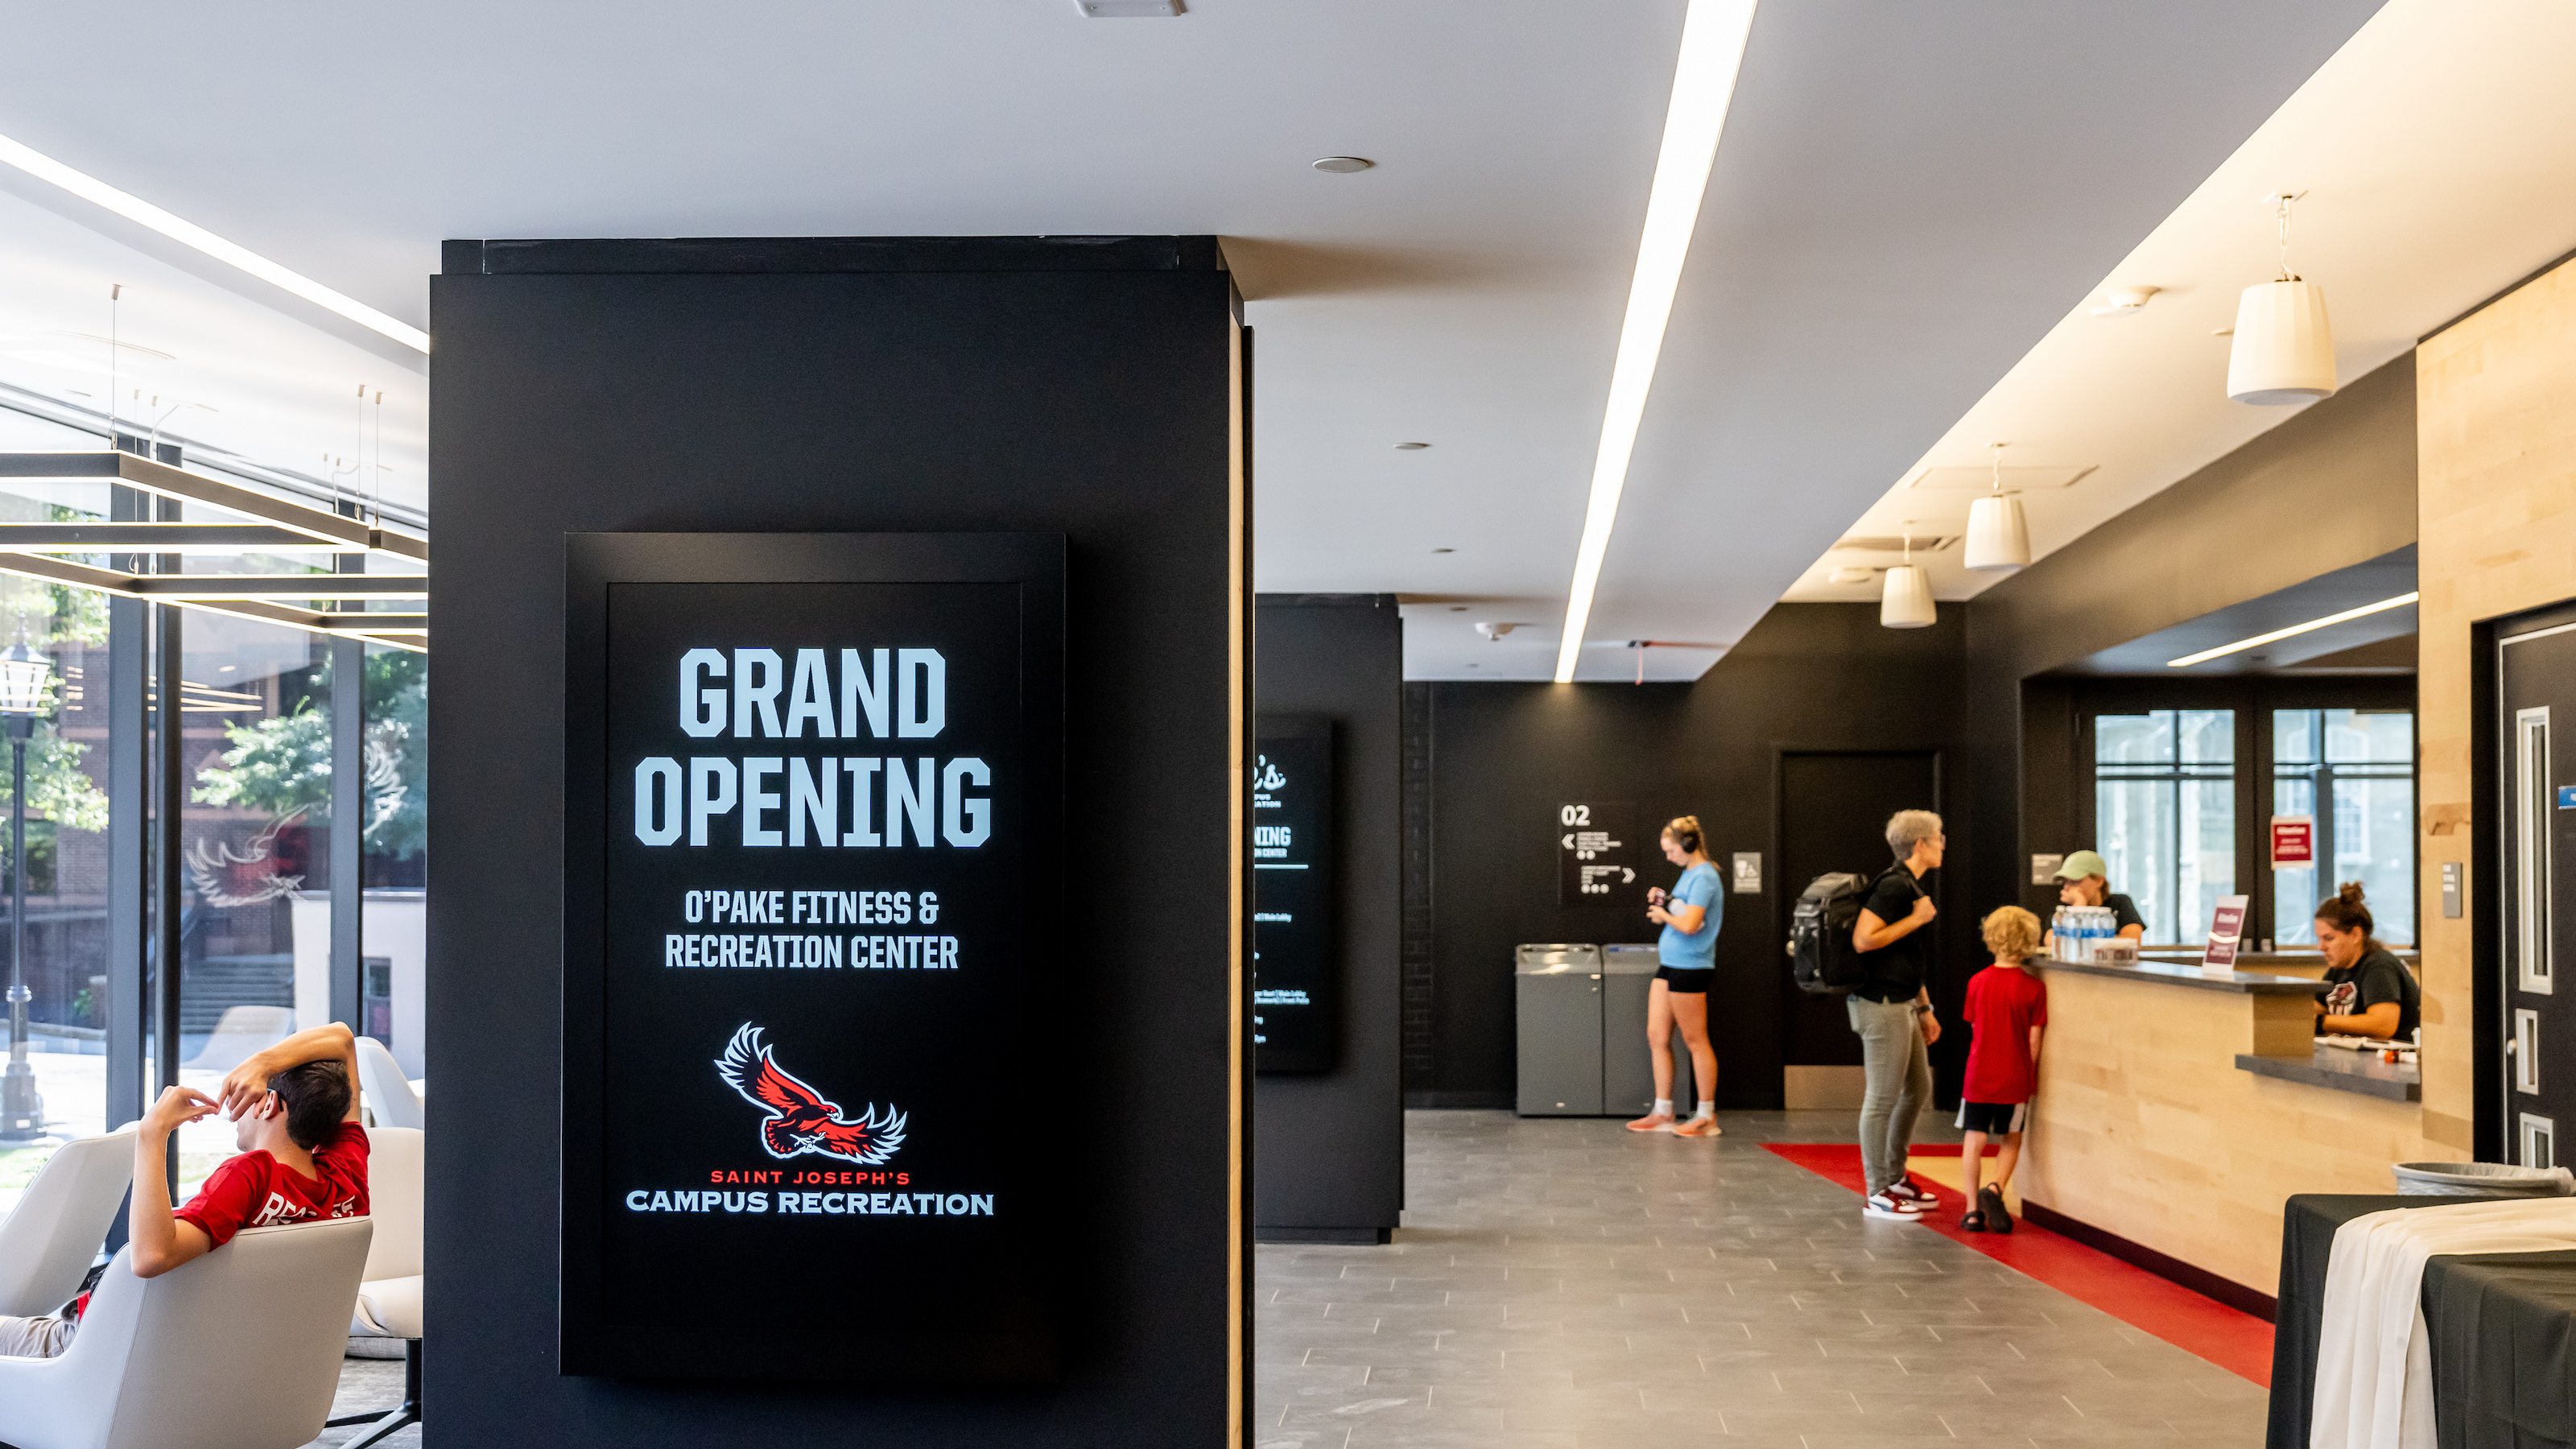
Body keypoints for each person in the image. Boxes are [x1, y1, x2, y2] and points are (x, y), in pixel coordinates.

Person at [0, 1022, 367, 1358]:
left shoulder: (252, 1177)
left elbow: (150, 1257)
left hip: (95, 1344)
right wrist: (263, 1064)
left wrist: (152, 1133)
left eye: (251, 1094)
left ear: (270, 1103)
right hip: (220, 1358)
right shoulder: (347, 1173)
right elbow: (345, 1042)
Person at [1848, 809, 1944, 1222]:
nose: (1944, 843)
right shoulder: (1893, 887)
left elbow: (1907, 957)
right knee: (1882, 1099)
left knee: (1917, 1090)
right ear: (1920, 844)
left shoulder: (1908, 885)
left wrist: (1924, 1007)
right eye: (1939, 837)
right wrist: (1915, 919)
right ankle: (1877, 1191)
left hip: (1903, 1000)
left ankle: (1894, 1176)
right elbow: (1863, 940)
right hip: (1880, 1003)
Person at [1627, 815, 1724, 1137]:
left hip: (1691, 965)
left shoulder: (1706, 878)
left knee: (1695, 1040)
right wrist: (1667, 901)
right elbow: (1683, 912)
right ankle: (1663, 1110)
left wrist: (1664, 913)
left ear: (1688, 845)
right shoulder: (1688, 875)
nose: (1668, 857)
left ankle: (1706, 1114)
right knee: (1657, 1035)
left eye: (1671, 851)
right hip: (1671, 963)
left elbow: (1691, 924)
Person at [1956, 906, 2046, 1234]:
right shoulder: (2035, 989)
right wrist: (2030, 1074)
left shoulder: (1977, 982)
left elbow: (1975, 1028)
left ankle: (1970, 1210)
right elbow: (2034, 1040)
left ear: (1990, 938)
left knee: (1974, 1137)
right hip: (2015, 1074)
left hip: (1979, 1073)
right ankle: (1995, 1188)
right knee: (2011, 1137)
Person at [2313, 882, 2419, 1042]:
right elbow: (2314, 1008)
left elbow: (2383, 1025)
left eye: (2328, 938)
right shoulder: (2339, 968)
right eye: (2319, 939)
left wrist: (2322, 1022)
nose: (2321, 947)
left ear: (2356, 935)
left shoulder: (2379, 967)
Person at [2046, 849, 2145, 954]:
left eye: (2075, 881)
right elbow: (2052, 942)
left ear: (2099, 881)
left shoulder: (2120, 902)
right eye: (2066, 881)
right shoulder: (2063, 911)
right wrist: (2079, 905)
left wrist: (2084, 941)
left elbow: (2133, 941)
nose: (2067, 887)